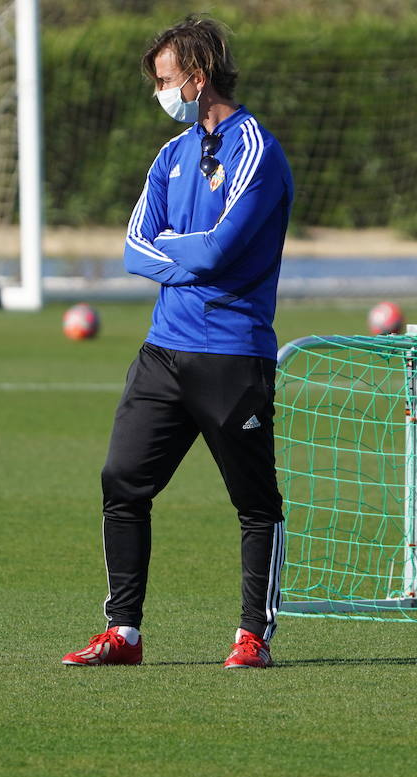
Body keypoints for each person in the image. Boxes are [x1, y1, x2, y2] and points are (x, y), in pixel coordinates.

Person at [63, 15, 294, 669]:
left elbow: (221, 250)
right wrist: (182, 254)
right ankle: (124, 634)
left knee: (254, 502)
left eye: (166, 81)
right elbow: (135, 250)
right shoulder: (170, 156)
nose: (160, 93)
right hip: (163, 352)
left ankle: (253, 636)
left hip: (232, 354)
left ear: (197, 78)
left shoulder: (258, 151)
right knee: (122, 482)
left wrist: (177, 250)